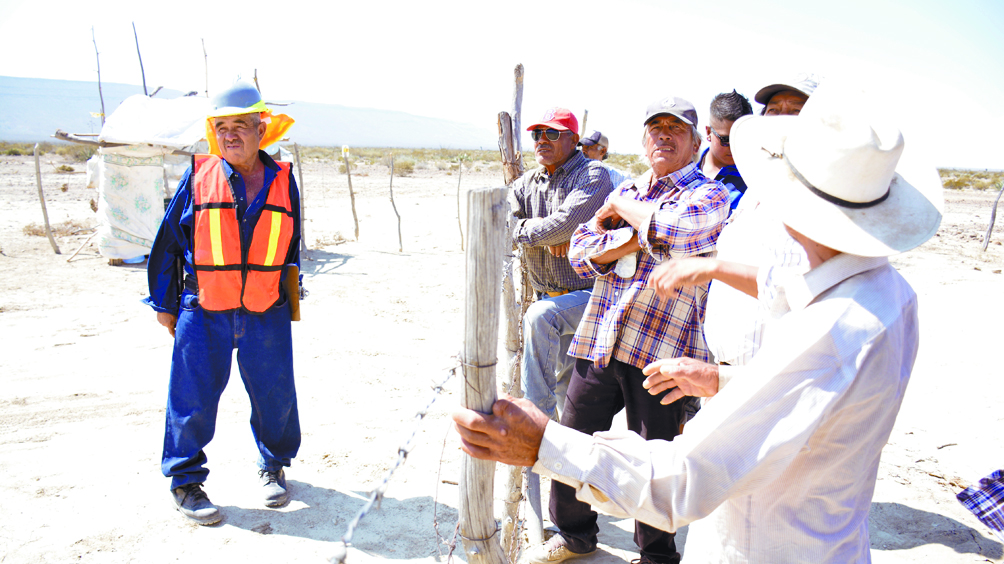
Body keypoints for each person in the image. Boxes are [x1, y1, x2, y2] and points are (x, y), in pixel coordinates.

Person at [453, 81, 944, 563]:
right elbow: (586, 251)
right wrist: (722, 378)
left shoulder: (832, 328)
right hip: (811, 537)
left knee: (652, 445)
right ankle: (577, 535)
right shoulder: (885, 296)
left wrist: (544, 443)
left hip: (762, 549)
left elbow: (684, 480)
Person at [521, 97, 729, 564]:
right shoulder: (630, 188)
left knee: (655, 457)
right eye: (656, 128)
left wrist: (625, 222)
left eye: (676, 129)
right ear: (644, 138)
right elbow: (580, 252)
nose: (664, 136)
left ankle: (655, 556)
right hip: (601, 335)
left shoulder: (707, 194)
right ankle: (574, 534)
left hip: (664, 348)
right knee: (572, 438)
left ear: (695, 143)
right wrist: (636, 237)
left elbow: (683, 233)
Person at [145, 80, 302, 525]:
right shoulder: (198, 177)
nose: (231, 135)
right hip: (204, 307)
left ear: (261, 128)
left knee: (276, 396)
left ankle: (273, 465)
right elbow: (168, 243)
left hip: (265, 309)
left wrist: (288, 297)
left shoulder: (281, 180)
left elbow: (290, 244)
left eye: (241, 126)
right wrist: (165, 303)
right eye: (222, 127)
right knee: (191, 399)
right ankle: (185, 482)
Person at [697, 76, 819, 371]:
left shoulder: (823, 193)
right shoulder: (758, 183)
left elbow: (800, 287)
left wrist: (712, 268)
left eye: (795, 110)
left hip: (774, 373)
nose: (781, 119)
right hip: (724, 369)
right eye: (774, 110)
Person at [512, 108, 614, 421]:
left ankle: (537, 424)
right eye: (537, 134)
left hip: (590, 294)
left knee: (540, 319)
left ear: (572, 139)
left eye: (551, 133)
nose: (542, 140)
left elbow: (566, 223)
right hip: (550, 294)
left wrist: (544, 231)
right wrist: (548, 233)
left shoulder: (593, 175)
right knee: (566, 388)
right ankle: (560, 457)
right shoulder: (526, 182)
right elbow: (505, 225)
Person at [697, 90, 753, 212]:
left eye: (741, 138)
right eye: (726, 139)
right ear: (708, 132)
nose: (734, 146)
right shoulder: (683, 169)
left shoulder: (755, 179)